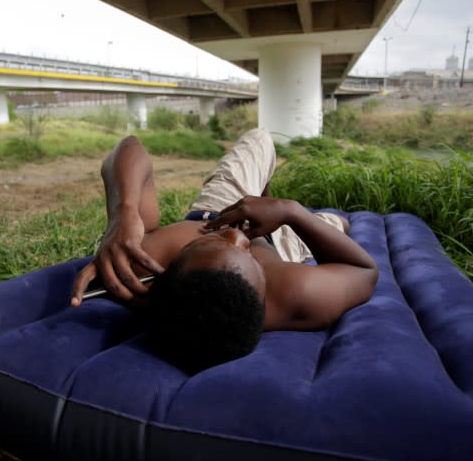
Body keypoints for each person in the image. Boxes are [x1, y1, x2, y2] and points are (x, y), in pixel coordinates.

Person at [71, 129, 378, 372]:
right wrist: (290, 211)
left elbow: (129, 147)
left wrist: (124, 212)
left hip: (220, 208)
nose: (236, 235)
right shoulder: (294, 291)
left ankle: (261, 204)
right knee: (338, 225)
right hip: (281, 243)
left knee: (261, 138)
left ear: (168, 270)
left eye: (213, 243)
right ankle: (277, 214)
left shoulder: (141, 264)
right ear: (265, 298)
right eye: (248, 255)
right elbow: (363, 270)